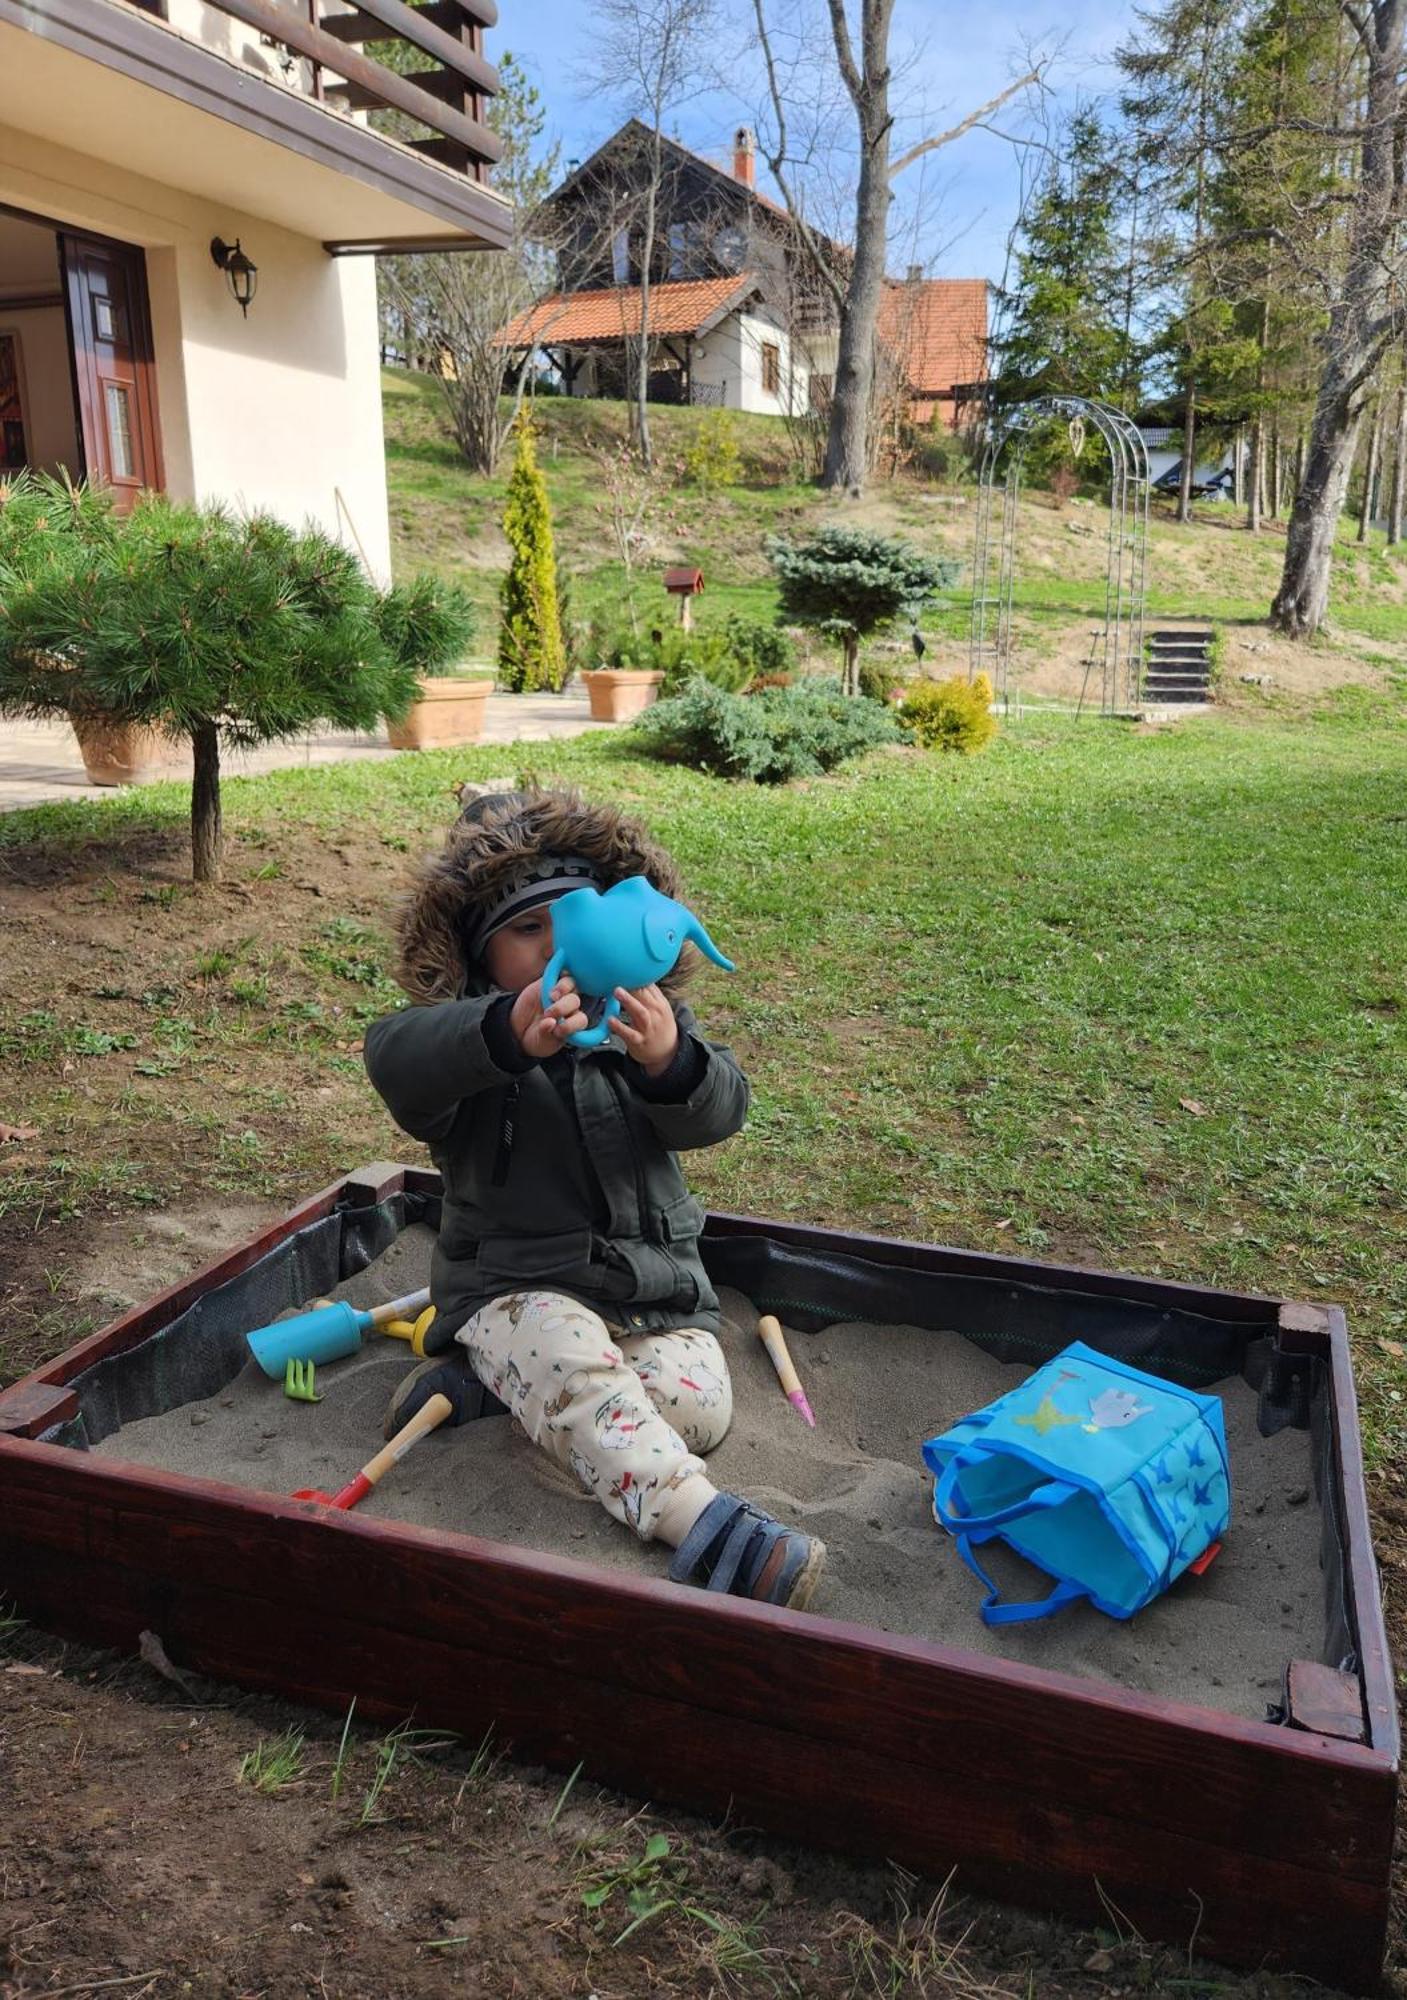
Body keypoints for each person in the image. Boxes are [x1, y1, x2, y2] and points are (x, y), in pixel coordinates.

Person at [363, 787, 826, 1612]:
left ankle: (495, 1391)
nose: (552, 950)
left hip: (652, 1299)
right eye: (526, 930)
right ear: (480, 956)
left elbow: (720, 1112)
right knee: (566, 1358)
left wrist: (670, 1062)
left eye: (567, 922)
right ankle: (703, 1525)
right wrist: (504, 1032)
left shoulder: (642, 1021)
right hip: (518, 1291)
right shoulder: (467, 1043)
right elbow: (398, 1060)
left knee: (692, 1408)